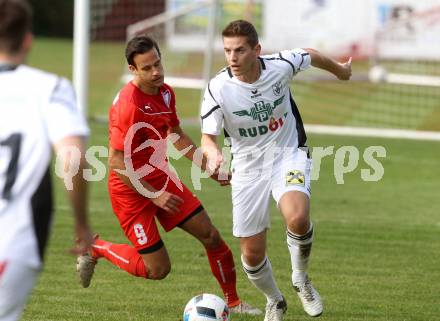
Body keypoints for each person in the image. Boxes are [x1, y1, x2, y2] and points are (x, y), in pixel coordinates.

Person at [75, 35, 260, 316]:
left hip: (160, 177)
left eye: (158, 63)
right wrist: (154, 194)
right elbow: (115, 161)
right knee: (158, 269)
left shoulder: (165, 93)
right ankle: (95, 247)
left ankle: (233, 302)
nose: (156, 72)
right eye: (147, 68)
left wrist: (208, 168)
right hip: (129, 190)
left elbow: (176, 135)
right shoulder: (129, 105)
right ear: (133, 70)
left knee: (210, 235)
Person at [200, 20, 352, 321]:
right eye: (228, 50)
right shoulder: (218, 88)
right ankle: (275, 300)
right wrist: (213, 152)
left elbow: (310, 54)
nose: (232, 57)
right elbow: (207, 137)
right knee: (252, 255)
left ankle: (301, 279)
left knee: (297, 216)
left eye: (240, 50)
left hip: (288, 155)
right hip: (247, 168)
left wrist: (340, 70)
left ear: (256, 50)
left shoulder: (280, 65)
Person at [0, 1, 94, 320]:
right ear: (28, 39)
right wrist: (81, 222)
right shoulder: (49, 88)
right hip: (14, 240)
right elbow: (73, 157)